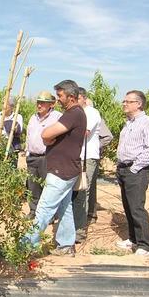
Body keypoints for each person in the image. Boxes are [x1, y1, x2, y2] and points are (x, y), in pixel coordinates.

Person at [23, 80, 86, 257]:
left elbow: (46, 134)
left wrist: (48, 138)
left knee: (44, 208)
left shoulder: (72, 114)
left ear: (71, 97)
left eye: (60, 96)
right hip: (65, 169)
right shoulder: (74, 113)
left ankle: (26, 246)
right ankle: (66, 245)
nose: (58, 100)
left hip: (62, 171)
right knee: (64, 208)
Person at [115, 90, 149, 256]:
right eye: (124, 101)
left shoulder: (148, 123)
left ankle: (146, 246)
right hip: (124, 169)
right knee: (128, 206)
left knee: (137, 208)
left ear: (138, 104)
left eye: (128, 101)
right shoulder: (128, 123)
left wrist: (134, 169)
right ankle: (133, 239)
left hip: (137, 170)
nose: (124, 104)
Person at [25, 91, 62, 219]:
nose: (39, 105)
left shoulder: (57, 117)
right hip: (32, 157)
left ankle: (49, 215)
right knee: (32, 186)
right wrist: (27, 151)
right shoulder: (33, 117)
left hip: (47, 157)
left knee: (48, 186)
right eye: (38, 102)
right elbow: (28, 136)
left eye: (43, 103)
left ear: (50, 105)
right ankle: (33, 211)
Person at [72, 87, 102, 243]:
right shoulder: (75, 112)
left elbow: (83, 133)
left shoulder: (91, 112)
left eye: (76, 99)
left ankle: (80, 231)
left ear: (83, 98)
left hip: (87, 157)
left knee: (84, 190)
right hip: (76, 156)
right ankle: (78, 223)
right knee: (77, 191)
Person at [85, 98, 113, 224]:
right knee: (88, 187)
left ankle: (89, 215)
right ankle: (91, 214)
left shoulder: (95, 119)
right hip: (86, 156)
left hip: (91, 157)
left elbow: (108, 137)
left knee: (87, 187)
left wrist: (96, 145)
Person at [0, 97, 24, 166]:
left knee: (12, 168)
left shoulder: (18, 117)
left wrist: (5, 124)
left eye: (6, 104)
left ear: (12, 107)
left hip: (13, 148)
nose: (3, 106)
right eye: (2, 103)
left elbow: (18, 131)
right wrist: (10, 125)